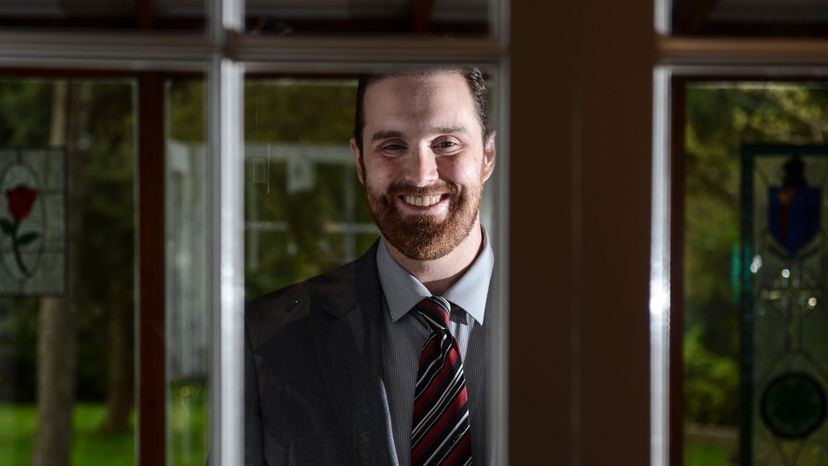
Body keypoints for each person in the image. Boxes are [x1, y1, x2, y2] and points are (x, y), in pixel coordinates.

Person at [245, 66, 496, 466]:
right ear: (360, 162)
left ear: (487, 156)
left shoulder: (580, 331)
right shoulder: (266, 336)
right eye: (393, 146)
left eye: (446, 143)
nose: (421, 174)